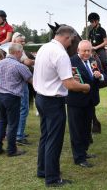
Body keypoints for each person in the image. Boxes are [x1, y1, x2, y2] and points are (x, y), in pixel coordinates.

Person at [33, 26, 90, 188]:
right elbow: (69, 84)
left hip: (41, 97)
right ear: (67, 38)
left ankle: (43, 169)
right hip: (53, 101)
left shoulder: (44, 48)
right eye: (72, 40)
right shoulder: (60, 54)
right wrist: (86, 87)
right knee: (54, 139)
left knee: (45, 136)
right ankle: (52, 178)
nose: (71, 43)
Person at [67, 40, 105, 168]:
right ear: (78, 50)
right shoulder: (71, 61)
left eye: (89, 50)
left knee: (86, 128)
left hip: (90, 101)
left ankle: (83, 152)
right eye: (84, 51)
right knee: (76, 130)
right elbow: (67, 81)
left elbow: (102, 77)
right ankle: (79, 158)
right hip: (76, 102)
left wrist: (100, 76)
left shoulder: (93, 61)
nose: (87, 53)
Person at [0, 43, 33, 156]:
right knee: (12, 124)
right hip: (11, 97)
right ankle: (11, 150)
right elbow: (31, 80)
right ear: (18, 52)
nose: (22, 55)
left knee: (2, 121)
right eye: (22, 52)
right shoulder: (19, 66)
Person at [12, 33, 34, 145]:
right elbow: (26, 62)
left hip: (13, 85)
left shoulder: (12, 51)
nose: (23, 43)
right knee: (23, 108)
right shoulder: (18, 52)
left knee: (17, 109)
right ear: (15, 41)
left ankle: (17, 132)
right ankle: (19, 135)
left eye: (23, 41)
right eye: (21, 41)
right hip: (21, 83)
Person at [87, 12, 107, 89]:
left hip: (100, 50)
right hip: (92, 50)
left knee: (104, 62)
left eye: (92, 22)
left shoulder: (102, 30)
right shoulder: (91, 32)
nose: (91, 23)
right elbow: (89, 42)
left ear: (97, 21)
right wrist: (90, 48)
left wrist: (96, 47)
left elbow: (106, 42)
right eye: (90, 22)